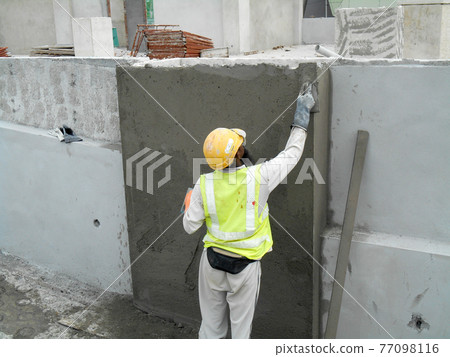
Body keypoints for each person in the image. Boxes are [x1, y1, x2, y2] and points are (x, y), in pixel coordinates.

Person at [182, 85, 315, 339]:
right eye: (240, 145)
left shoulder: (203, 184)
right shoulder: (260, 176)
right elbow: (292, 154)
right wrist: (301, 114)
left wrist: (189, 201)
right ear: (239, 153)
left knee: (210, 332)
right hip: (244, 268)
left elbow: (190, 226)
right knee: (240, 336)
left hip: (211, 264)